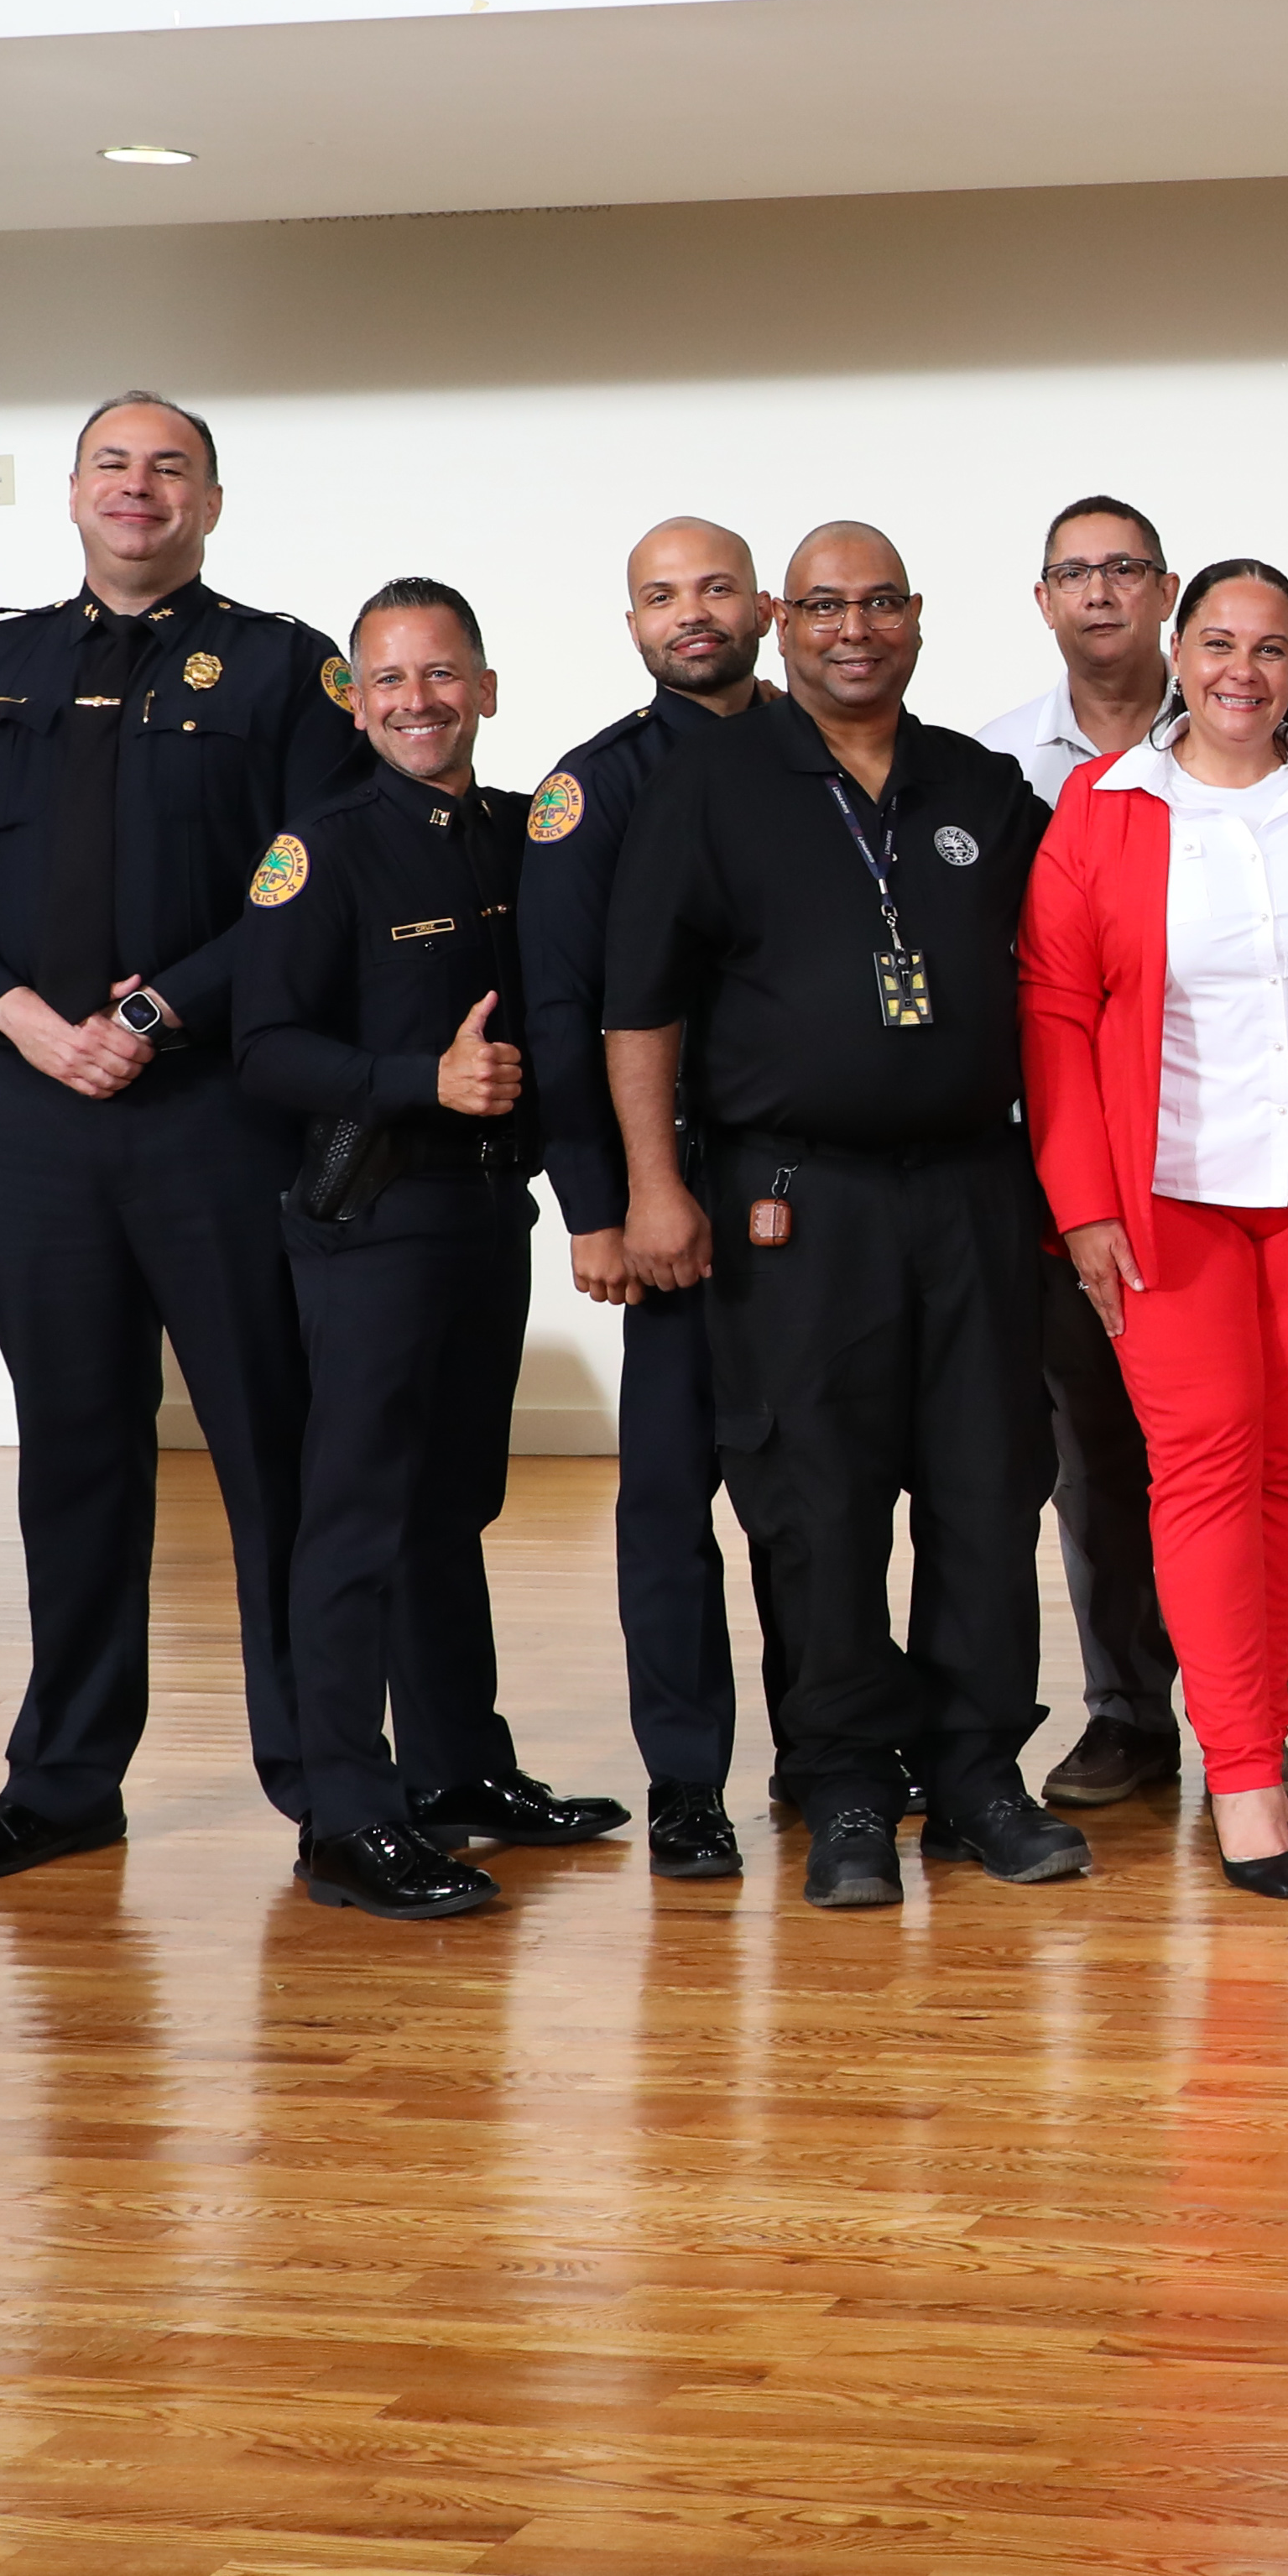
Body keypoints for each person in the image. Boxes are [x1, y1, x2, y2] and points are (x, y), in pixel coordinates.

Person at [0, 392, 368, 1884]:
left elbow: (317, 878)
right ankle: (65, 1778)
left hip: (217, 1114)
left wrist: (157, 1011)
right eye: (113, 463)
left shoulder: (287, 669)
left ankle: (331, 1787)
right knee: (74, 1451)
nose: (138, 487)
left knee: (272, 1451)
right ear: (76, 492)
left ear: (209, 501)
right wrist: (25, 1018)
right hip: (37, 1120)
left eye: (170, 467)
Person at [600, 520, 1079, 1911]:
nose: (852, 629)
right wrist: (652, 1184)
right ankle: (847, 1779)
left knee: (989, 1485)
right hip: (794, 1201)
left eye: (877, 603)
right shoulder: (709, 785)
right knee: (817, 1499)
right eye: (823, 606)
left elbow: (1071, 970)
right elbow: (641, 1006)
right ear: (780, 620)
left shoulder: (981, 785)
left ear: (916, 617)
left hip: (974, 1191)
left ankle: (977, 1771)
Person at [1020, 559, 1288, 1901]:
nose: (1242, 670)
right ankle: (1246, 1773)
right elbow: (1055, 1014)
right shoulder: (1105, 806)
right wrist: (1084, 1205)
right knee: (1201, 1469)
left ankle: (1257, 1725)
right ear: (1178, 651)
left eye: (1271, 646)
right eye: (1219, 643)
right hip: (1166, 1202)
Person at [232, 577, 630, 1918]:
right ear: (356, 701)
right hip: (375, 1221)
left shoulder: (521, 835)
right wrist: (423, 1080)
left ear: (487, 688)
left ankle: (459, 1770)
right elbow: (265, 1048)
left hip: (485, 1213)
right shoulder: (321, 848)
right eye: (391, 679)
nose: (420, 699)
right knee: (355, 1520)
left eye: (443, 672)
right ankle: (348, 1816)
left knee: (451, 1506)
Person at [522, 517, 771, 1878]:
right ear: (633, 627)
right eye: (663, 595)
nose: (693, 612)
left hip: (815, 1184)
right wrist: (600, 1205)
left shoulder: (820, 751)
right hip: (670, 1192)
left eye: (716, 586)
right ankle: (687, 1781)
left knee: (822, 1492)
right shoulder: (595, 787)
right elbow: (562, 1008)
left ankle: (837, 1748)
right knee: (671, 1503)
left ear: (765, 606)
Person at [975, 496, 1179, 1808]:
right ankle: (1130, 1714)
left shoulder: (1242, 740)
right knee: (1094, 1455)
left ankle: (1245, 1709)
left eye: (1124, 568)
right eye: (1074, 572)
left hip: (1211, 1155)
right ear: (1043, 600)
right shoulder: (995, 767)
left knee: (1222, 1455)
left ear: (1166, 589)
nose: (1100, 591)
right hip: (1057, 1162)